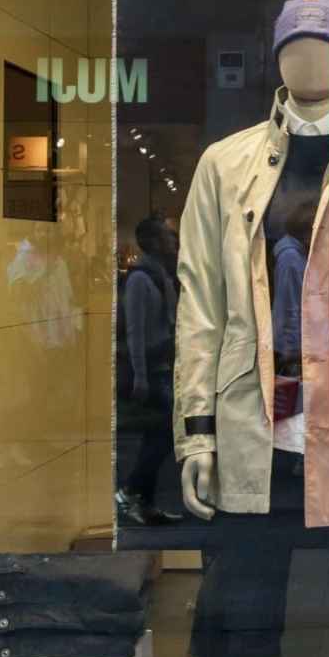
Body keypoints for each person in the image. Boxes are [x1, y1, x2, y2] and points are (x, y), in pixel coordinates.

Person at [116, 214, 184, 525]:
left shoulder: (161, 275)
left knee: (158, 435)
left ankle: (142, 500)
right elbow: (135, 331)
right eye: (168, 236)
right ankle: (131, 491)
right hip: (152, 370)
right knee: (165, 434)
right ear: (154, 242)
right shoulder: (140, 279)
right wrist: (140, 376)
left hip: (163, 366)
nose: (174, 241)